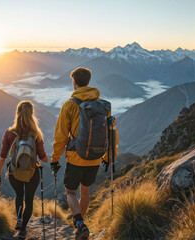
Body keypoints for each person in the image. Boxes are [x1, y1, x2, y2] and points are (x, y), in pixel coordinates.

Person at [50, 67, 119, 239]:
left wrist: (55, 159)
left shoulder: (69, 105)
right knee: (85, 191)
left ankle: (80, 224)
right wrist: (108, 156)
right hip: (95, 157)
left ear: (74, 83)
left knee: (71, 192)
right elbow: (112, 132)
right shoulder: (103, 105)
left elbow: (60, 136)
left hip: (76, 157)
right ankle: (81, 226)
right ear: (88, 81)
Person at [0, 100, 48, 239]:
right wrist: (46, 158)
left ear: (17, 113)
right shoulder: (36, 134)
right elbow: (43, 158)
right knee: (29, 200)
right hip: (32, 173)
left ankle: (18, 219)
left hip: (15, 173)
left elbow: (2, 156)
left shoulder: (9, 133)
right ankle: (23, 230)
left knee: (19, 195)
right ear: (31, 114)